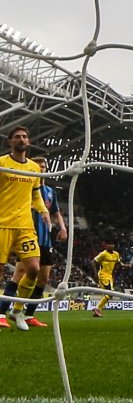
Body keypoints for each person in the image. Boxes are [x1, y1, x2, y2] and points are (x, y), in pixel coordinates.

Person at [0, 127, 48, 332]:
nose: (22, 139)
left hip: (25, 225)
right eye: (17, 137)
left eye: (25, 137)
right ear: (10, 141)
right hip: (2, 224)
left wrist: (44, 211)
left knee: (34, 269)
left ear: (29, 142)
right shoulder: (2, 163)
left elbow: (35, 194)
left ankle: (17, 310)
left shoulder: (33, 168)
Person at [12, 156, 68, 327]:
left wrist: (63, 228)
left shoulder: (51, 191)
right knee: (21, 272)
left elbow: (56, 212)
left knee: (43, 278)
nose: (42, 169)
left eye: (44, 166)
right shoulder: (26, 188)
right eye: (39, 166)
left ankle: (29, 315)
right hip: (28, 235)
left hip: (46, 240)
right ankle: (4, 312)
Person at [91, 239, 122, 318]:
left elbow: (118, 263)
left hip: (109, 276)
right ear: (106, 245)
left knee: (110, 294)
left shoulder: (116, 254)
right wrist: (95, 274)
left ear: (114, 245)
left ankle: (97, 310)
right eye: (108, 244)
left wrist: (125, 265)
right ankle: (97, 308)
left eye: (112, 244)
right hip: (103, 275)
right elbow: (93, 262)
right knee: (110, 294)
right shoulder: (103, 254)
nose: (110, 245)